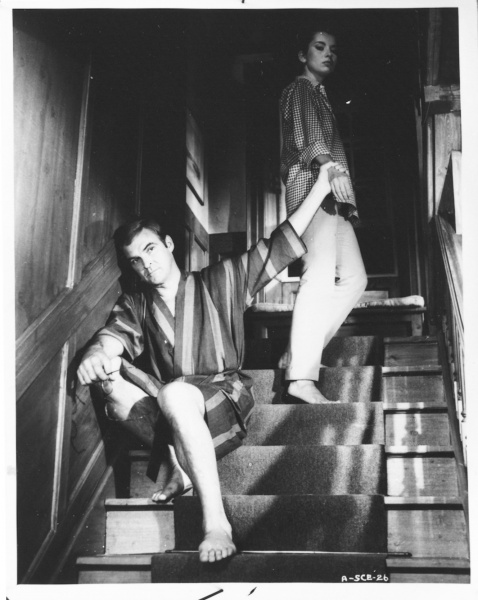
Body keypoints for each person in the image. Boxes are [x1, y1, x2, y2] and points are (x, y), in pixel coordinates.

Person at [76, 160, 345, 563]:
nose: (146, 264)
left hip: (221, 394)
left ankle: (216, 522)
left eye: (150, 249)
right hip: (170, 403)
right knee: (110, 379)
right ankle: (178, 463)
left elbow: (278, 244)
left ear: (169, 244)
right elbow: (112, 337)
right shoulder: (136, 303)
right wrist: (96, 353)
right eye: (135, 260)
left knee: (175, 394)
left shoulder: (220, 280)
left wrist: (321, 186)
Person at [279, 26, 368, 404]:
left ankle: (298, 354)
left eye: (334, 48)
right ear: (303, 55)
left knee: (355, 278)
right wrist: (333, 170)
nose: (329, 53)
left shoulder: (320, 94)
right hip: (312, 193)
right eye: (319, 47)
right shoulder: (300, 89)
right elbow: (309, 139)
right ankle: (301, 378)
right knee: (318, 276)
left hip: (331, 198)